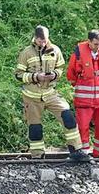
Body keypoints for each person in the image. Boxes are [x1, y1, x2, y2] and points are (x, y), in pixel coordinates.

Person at [13, 25, 91, 162]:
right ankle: (38, 156)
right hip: (32, 97)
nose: (43, 43)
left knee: (68, 116)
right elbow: (18, 75)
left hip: (50, 93)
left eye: (45, 40)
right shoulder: (26, 52)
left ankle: (76, 150)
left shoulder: (55, 50)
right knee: (35, 127)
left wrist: (54, 75)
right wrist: (36, 77)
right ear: (35, 38)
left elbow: (60, 68)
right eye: (40, 41)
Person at [66, 29, 99, 158]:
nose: (98, 46)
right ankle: (84, 152)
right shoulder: (79, 52)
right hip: (84, 97)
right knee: (83, 125)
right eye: (95, 44)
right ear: (89, 42)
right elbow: (71, 72)